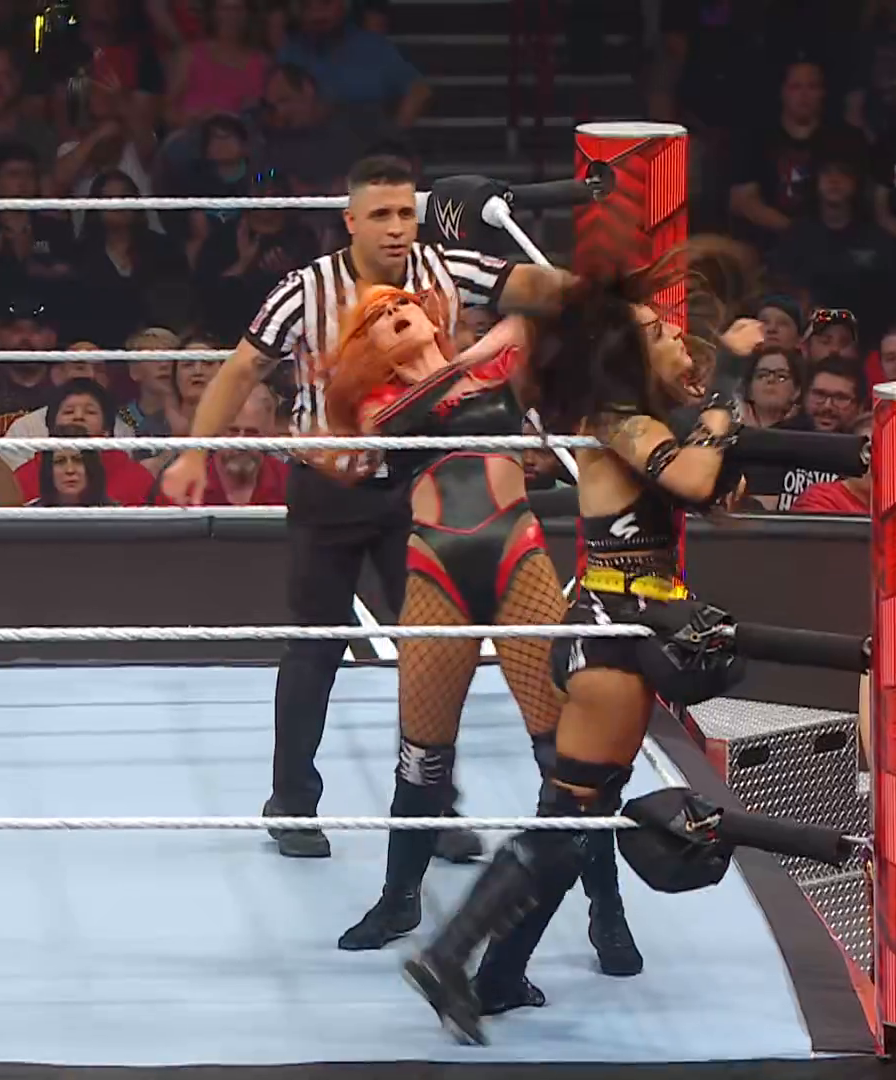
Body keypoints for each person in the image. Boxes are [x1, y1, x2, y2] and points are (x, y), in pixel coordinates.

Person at [160, 156, 570, 861]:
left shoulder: (448, 267)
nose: (396, 227)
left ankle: (431, 810)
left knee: (434, 652)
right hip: (329, 492)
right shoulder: (305, 289)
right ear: (350, 221)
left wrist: (568, 280)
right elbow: (242, 368)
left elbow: (541, 287)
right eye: (380, 214)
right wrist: (195, 453)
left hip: (420, 486)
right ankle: (292, 803)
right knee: (315, 646)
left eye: (406, 213)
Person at [402, 252, 751, 1044]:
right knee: (566, 819)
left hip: (626, 627)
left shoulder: (644, 420)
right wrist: (729, 383)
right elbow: (693, 480)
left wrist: (717, 432)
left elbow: (708, 490)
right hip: (612, 631)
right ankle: (450, 954)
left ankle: (493, 974)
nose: (677, 338)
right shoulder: (618, 418)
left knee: (575, 819)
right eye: (658, 333)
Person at [316, 284, 641, 978]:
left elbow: (538, 318)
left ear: (430, 313)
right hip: (437, 569)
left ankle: (606, 908)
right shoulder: (382, 401)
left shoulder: (497, 367)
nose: (393, 315)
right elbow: (392, 422)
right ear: (366, 348)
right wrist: (472, 360)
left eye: (400, 305)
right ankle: (399, 899)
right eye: (376, 318)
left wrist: (481, 353)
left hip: (516, 556)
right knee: (422, 755)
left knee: (567, 754)